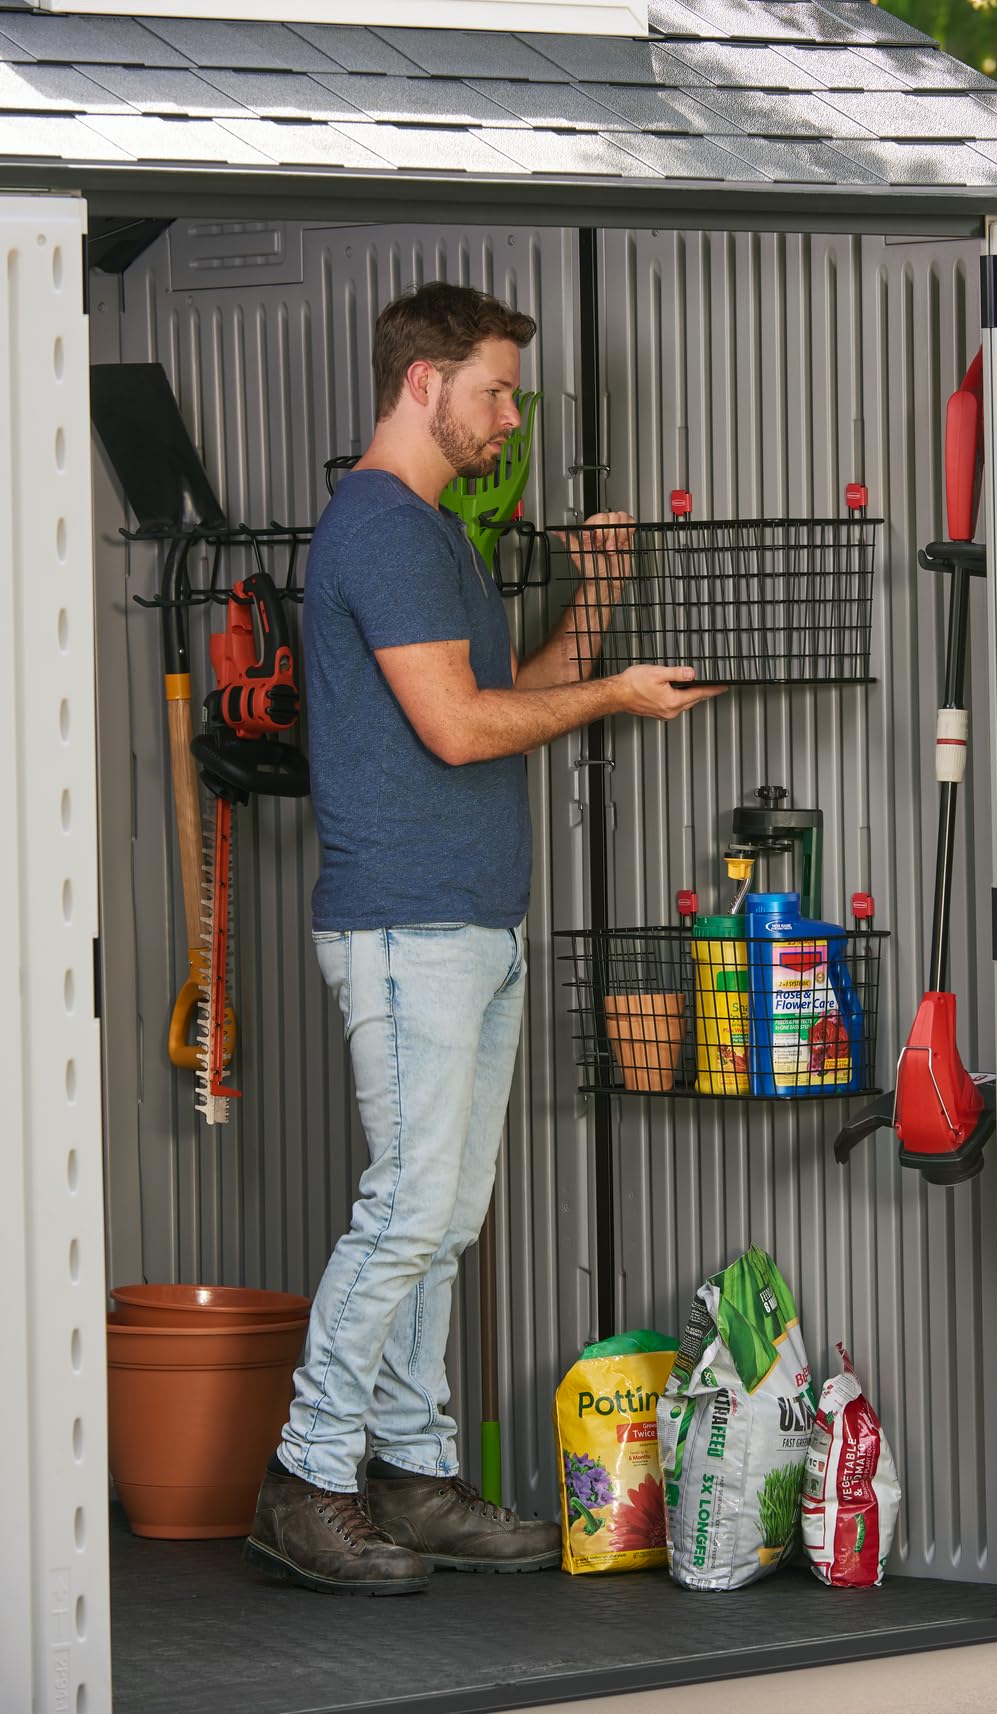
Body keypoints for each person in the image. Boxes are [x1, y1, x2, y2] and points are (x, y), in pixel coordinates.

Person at [245, 281, 722, 1596]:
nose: (511, 418)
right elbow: (460, 729)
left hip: (471, 923)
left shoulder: (437, 537)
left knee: (445, 1215)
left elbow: (501, 699)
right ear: (421, 384)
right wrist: (616, 693)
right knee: (406, 1210)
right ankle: (304, 1473)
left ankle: (410, 1467)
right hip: (407, 923)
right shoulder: (384, 530)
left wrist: (599, 605)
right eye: (496, 390)